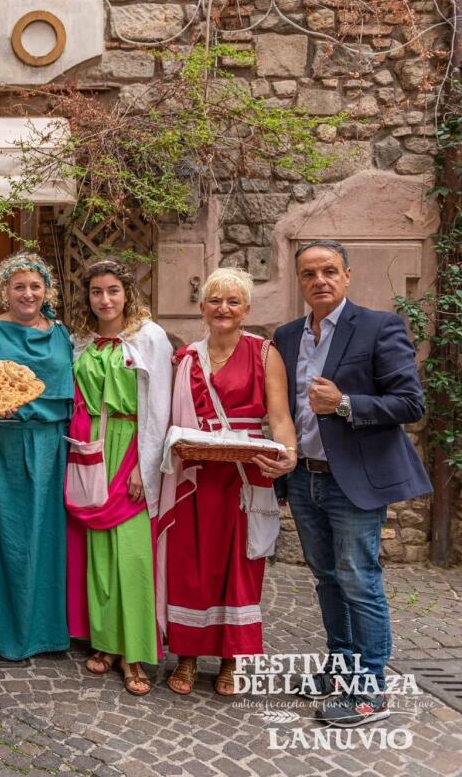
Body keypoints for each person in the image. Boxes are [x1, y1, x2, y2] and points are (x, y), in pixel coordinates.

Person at [273, 240, 429, 727]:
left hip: (353, 481)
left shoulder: (379, 327)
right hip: (305, 478)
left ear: (347, 275)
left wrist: (344, 404)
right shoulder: (287, 335)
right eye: (308, 273)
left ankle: (371, 691)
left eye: (328, 271)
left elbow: (410, 403)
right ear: (299, 282)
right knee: (326, 579)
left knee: (359, 581)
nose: (319, 280)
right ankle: (340, 668)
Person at [158, 268, 297, 696]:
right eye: (215, 301)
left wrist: (288, 455)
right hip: (195, 477)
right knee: (191, 565)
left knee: (239, 566)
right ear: (202, 308)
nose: (223, 308)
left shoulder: (263, 353)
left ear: (246, 309)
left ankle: (232, 659)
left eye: (233, 302)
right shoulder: (184, 359)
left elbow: (278, 418)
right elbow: (170, 420)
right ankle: (185, 656)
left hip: (244, 473)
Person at [66, 259, 172, 696]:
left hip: (131, 446)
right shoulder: (81, 340)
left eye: (112, 290)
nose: (104, 299)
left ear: (127, 292)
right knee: (100, 555)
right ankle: (105, 643)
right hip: (92, 448)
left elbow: (159, 407)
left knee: (132, 555)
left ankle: (135, 653)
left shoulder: (150, 337)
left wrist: (143, 470)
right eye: (96, 292)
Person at [0, 251, 74, 661]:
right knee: (6, 539)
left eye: (35, 286)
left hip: (51, 449)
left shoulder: (63, 334)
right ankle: (0, 628)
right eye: (19, 286)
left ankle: (47, 630)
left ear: (45, 290)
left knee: (47, 539)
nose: (28, 293)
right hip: (5, 447)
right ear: (4, 291)